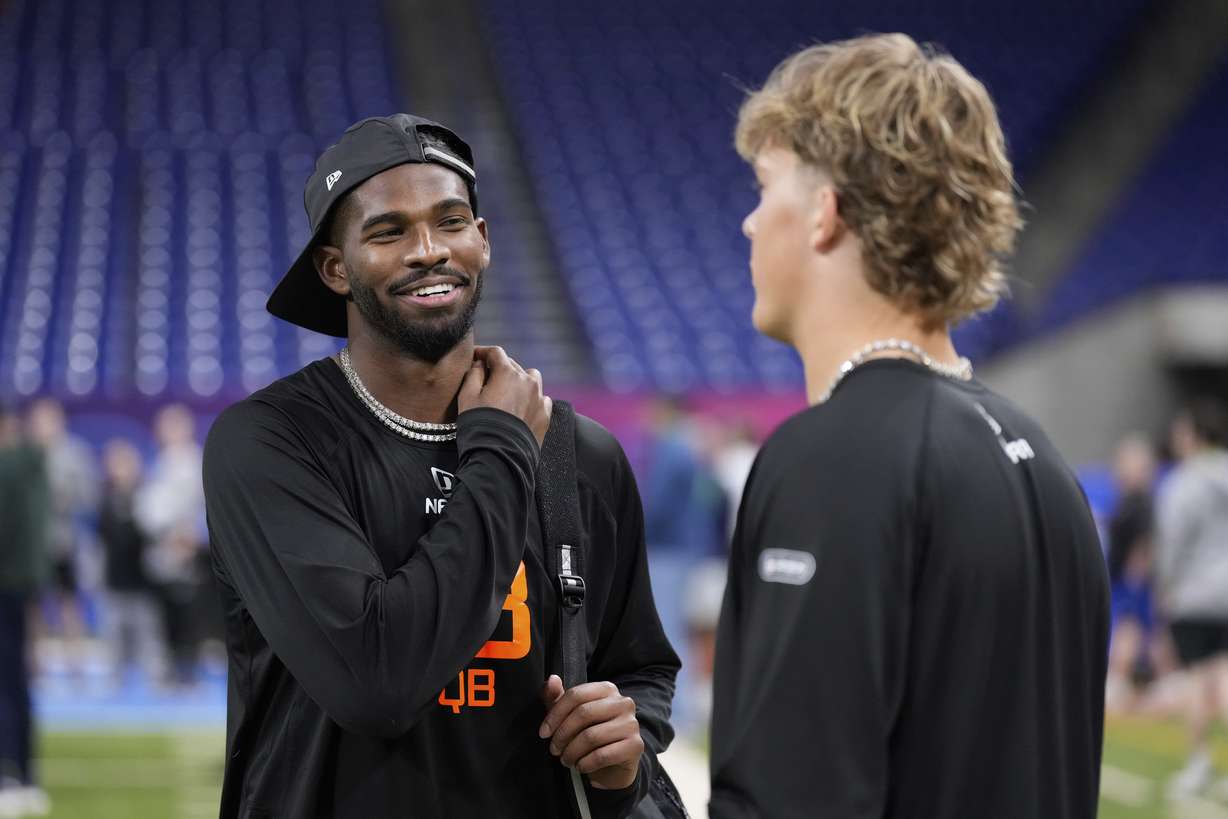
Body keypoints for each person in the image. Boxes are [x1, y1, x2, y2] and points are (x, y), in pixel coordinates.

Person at [203, 114, 678, 818]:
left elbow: (637, 666)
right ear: (336, 267)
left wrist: (625, 735)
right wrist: (500, 448)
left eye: (450, 221)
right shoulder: (271, 443)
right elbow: (376, 679)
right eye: (388, 231)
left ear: (481, 242)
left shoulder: (584, 456)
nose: (428, 250)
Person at [709, 34, 1109, 819]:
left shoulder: (831, 459)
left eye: (765, 187)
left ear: (825, 212)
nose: (752, 223)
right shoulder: (1045, 464)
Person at [1156, 400, 1228, 798]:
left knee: (1198, 680)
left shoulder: (1183, 482)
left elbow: (1173, 543)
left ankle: (1199, 763)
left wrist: (1165, 588)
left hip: (1195, 594)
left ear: (1196, 436)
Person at [0, 403, 52, 817]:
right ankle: (26, 773)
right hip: (23, 586)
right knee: (18, 684)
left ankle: (10, 775)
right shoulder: (32, 464)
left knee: (6, 686)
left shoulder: (9, 468)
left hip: (5, 586)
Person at [137, 404, 209, 685]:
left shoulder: (194, 460)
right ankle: (170, 668)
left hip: (187, 550)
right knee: (165, 615)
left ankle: (188, 670)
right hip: (162, 550)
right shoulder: (160, 462)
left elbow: (202, 504)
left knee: (188, 615)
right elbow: (152, 508)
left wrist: (192, 535)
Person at [97, 439, 166, 686]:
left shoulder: (146, 497)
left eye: (126, 464)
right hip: (115, 581)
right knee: (115, 639)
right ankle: (115, 683)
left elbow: (151, 535)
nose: (122, 470)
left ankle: (157, 684)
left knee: (149, 639)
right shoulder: (105, 499)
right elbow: (104, 538)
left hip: (142, 581)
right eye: (117, 465)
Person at [1104, 433, 1162, 713]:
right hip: (1118, 579)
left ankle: (1120, 682)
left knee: (1131, 630)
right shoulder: (1126, 500)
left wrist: (1135, 580)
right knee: (1132, 632)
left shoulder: (1143, 503)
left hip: (1130, 583)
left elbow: (1144, 545)